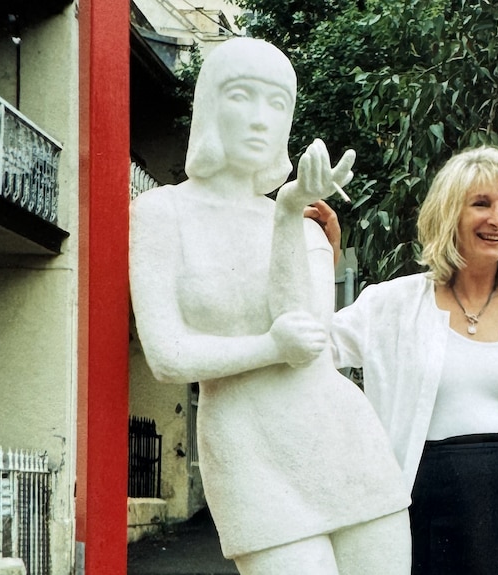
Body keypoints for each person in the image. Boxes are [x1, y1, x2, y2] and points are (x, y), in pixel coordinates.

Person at [128, 38, 410, 575]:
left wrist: (285, 215)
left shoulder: (298, 221)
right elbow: (167, 356)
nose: (261, 119)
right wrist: (267, 346)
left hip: (341, 438)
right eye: (241, 96)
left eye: (277, 103)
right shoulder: (162, 213)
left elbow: (305, 341)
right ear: (210, 104)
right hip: (248, 446)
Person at [329, 146, 498, 575]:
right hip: (426, 504)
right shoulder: (393, 304)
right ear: (449, 214)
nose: (497, 220)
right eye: (481, 204)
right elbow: (312, 347)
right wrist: (324, 261)